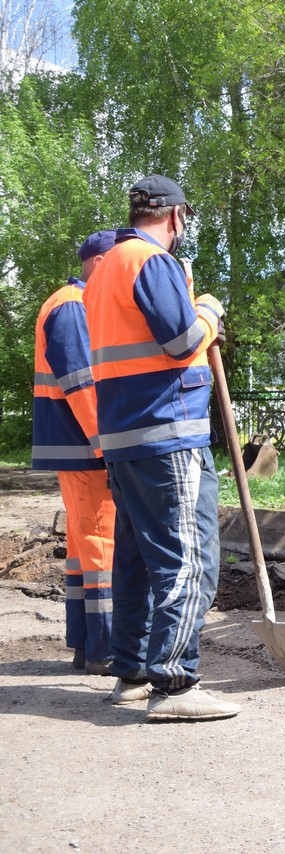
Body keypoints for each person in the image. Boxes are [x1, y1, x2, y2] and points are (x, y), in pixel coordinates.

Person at [83, 175, 239, 720]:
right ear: (176, 217)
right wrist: (210, 313)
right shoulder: (151, 262)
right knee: (188, 559)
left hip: (124, 437)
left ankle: (129, 673)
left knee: (136, 560)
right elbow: (179, 341)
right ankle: (174, 685)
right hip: (166, 433)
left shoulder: (104, 270)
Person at [33, 231, 120, 676]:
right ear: (101, 262)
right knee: (101, 544)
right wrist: (106, 441)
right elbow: (81, 383)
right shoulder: (73, 305)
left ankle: (88, 645)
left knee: (84, 546)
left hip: (74, 445)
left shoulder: (68, 302)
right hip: (86, 446)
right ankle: (105, 648)